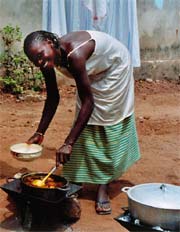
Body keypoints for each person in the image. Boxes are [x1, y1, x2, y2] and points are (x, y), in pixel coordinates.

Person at [23, 30, 141, 215]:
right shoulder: (47, 59)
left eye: (40, 55)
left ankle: (103, 185)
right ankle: (78, 176)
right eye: (34, 60)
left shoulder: (75, 54)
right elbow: (53, 97)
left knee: (106, 119)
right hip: (92, 71)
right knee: (84, 119)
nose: (40, 62)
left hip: (114, 68)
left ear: (49, 42)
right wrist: (40, 132)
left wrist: (68, 143)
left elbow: (89, 102)